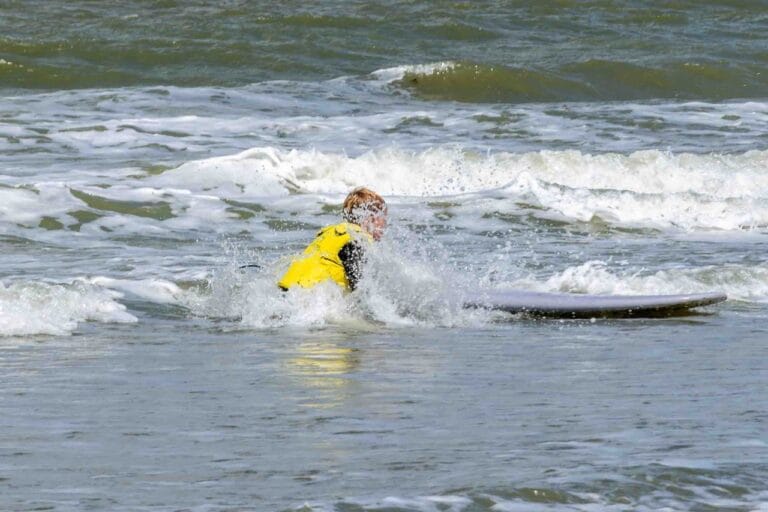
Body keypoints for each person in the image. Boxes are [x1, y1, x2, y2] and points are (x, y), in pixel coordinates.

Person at [278, 187, 387, 291]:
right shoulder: (358, 239)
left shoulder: (331, 234)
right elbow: (360, 289)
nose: (385, 226)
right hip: (312, 294)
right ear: (371, 218)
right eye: (383, 219)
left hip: (289, 289)